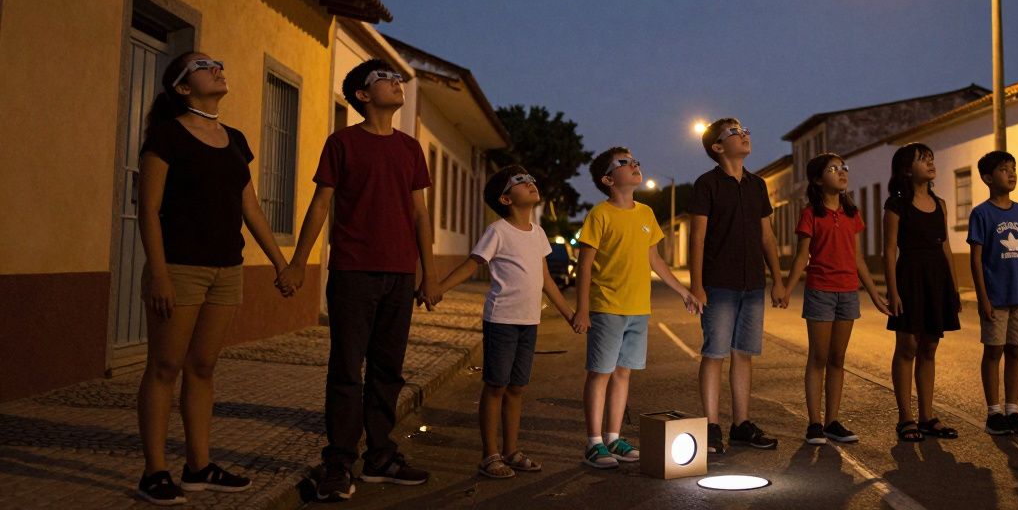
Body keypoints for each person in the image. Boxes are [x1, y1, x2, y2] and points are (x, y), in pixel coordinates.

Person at [135, 52, 292, 505]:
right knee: (164, 368)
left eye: (218, 62)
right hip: (180, 268)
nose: (217, 68)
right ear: (183, 88)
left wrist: (280, 264)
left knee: (203, 368)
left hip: (227, 268)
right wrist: (159, 274)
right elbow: (148, 210)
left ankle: (198, 467)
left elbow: (252, 208)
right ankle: (154, 472)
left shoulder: (236, 140)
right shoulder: (166, 137)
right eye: (203, 66)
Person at [282, 59, 439, 501]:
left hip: (399, 274)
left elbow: (420, 213)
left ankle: (381, 457)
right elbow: (320, 205)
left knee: (388, 370)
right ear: (363, 96)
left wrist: (429, 273)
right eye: (385, 79)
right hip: (353, 270)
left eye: (397, 78)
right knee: (347, 369)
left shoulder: (410, 149)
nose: (396, 83)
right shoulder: (343, 143)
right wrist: (298, 262)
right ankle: (338, 462)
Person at [433, 165, 579, 479]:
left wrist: (570, 314)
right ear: (505, 198)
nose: (531, 182)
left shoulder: (538, 233)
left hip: (529, 321)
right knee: (496, 386)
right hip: (501, 319)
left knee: (517, 388)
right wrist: (438, 288)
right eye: (520, 181)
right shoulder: (498, 231)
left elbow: (546, 280)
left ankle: (511, 451)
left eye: (531, 178)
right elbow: (472, 266)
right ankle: (490, 455)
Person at [573, 148, 704, 468]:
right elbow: (585, 264)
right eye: (624, 163)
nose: (634, 165)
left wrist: (683, 291)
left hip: (638, 309)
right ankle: (593, 443)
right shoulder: (599, 215)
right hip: (606, 306)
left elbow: (655, 259)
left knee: (622, 373)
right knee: (600, 373)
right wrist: (582, 308)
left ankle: (613, 437)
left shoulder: (645, 213)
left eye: (635, 160)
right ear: (608, 179)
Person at [688, 118, 785, 454]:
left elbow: (767, 236)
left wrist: (778, 279)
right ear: (717, 147)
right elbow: (697, 237)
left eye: (746, 129)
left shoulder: (757, 185)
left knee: (744, 355)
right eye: (734, 132)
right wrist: (696, 285)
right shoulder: (706, 185)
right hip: (719, 284)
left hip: (753, 283)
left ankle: (741, 424)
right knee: (714, 353)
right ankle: (712, 427)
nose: (744, 134)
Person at [780, 153, 890, 444]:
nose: (841, 173)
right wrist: (787, 288)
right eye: (833, 169)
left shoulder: (852, 213)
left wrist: (876, 297)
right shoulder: (811, 213)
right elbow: (803, 255)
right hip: (820, 291)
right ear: (818, 179)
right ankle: (814, 423)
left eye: (843, 168)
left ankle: (832, 421)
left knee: (838, 358)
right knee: (818, 356)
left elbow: (858, 259)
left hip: (848, 292)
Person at [883, 142, 962, 442]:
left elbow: (947, 248)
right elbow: (889, 251)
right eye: (922, 159)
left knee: (929, 347)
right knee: (907, 347)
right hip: (910, 278)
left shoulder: (940, 203)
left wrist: (953, 290)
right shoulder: (897, 205)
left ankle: (928, 416)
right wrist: (893, 292)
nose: (930, 163)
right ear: (906, 169)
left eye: (931, 158)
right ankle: (906, 417)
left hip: (936, 278)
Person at [968, 150, 1018, 436]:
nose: (1011, 173)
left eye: (1013, 168)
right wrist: (982, 298)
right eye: (1003, 169)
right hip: (996, 297)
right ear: (988, 177)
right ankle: (994, 412)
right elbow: (976, 259)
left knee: (1015, 350)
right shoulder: (981, 214)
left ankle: (1013, 409)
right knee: (994, 350)